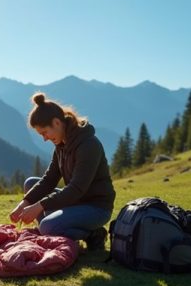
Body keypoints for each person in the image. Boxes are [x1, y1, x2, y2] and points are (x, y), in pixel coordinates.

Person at [9, 93, 115, 251]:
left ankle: (92, 234)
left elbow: (76, 189)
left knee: (47, 227)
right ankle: (62, 227)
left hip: (96, 207)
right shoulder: (61, 145)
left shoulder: (88, 145)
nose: (45, 138)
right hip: (76, 202)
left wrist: (39, 206)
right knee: (30, 183)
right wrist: (24, 203)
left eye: (44, 132)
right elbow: (49, 179)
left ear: (57, 123)